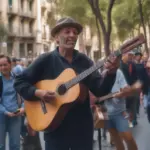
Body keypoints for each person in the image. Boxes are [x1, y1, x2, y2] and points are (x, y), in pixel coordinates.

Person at [14, 17, 130, 150]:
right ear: (57, 38)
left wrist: (111, 72)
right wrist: (38, 93)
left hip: (81, 129)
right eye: (67, 31)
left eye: (75, 32)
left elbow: (100, 90)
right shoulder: (45, 60)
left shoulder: (85, 61)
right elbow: (19, 81)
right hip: (55, 130)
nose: (72, 35)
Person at [102, 53, 139, 150]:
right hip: (106, 113)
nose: (110, 64)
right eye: (108, 62)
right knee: (116, 139)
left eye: (112, 62)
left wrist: (123, 92)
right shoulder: (102, 74)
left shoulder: (118, 73)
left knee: (128, 137)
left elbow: (126, 89)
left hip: (120, 112)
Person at [0, 55, 24, 150]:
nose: (3, 67)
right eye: (0, 65)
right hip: (1, 116)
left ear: (10, 65)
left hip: (16, 115)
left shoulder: (17, 78)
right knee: (1, 146)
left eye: (5, 65)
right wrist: (5, 112)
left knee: (15, 145)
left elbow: (24, 96)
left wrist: (23, 107)